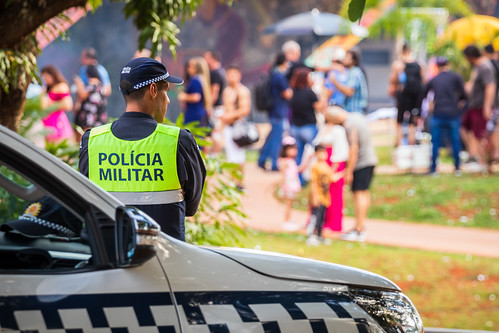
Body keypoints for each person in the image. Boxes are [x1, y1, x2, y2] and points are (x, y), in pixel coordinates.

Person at [78, 57, 206, 241]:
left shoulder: (92, 140)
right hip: (167, 261)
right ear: (153, 90)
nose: (168, 101)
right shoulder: (179, 141)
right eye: (166, 92)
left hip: (110, 259)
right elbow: (191, 206)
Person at [326, 106, 378, 242]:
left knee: (359, 194)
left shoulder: (349, 125)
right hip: (370, 159)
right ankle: (360, 226)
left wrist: (349, 171)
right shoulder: (357, 115)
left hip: (361, 162)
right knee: (364, 193)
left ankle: (359, 229)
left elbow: (353, 148)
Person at [424, 57, 467, 175]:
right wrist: (458, 104)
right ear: (448, 65)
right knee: (455, 141)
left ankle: (433, 169)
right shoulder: (456, 77)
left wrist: (430, 106)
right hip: (453, 113)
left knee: (436, 142)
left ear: (437, 66)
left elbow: (424, 94)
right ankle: (457, 168)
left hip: (438, 113)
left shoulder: (434, 79)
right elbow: (463, 95)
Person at [313, 110, 349, 233]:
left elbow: (341, 150)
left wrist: (334, 167)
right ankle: (320, 221)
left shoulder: (339, 130)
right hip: (323, 163)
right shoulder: (323, 128)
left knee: (334, 194)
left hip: (333, 163)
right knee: (321, 193)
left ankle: (334, 223)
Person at [462, 45, 496, 173]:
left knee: (481, 135)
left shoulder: (485, 67)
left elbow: (490, 87)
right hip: (473, 106)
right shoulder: (477, 67)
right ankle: (475, 157)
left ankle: (484, 164)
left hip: (481, 106)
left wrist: (487, 106)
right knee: (465, 127)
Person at [258, 52, 293, 171]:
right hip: (278, 112)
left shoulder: (272, 74)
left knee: (272, 136)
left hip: (273, 111)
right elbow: (287, 94)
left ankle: (262, 159)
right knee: (276, 139)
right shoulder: (279, 76)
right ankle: (273, 163)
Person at [388, 44, 425, 146]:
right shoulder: (419, 64)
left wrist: (392, 90)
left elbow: (393, 81)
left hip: (403, 95)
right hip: (415, 95)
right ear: (410, 50)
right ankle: (411, 142)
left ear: (402, 51)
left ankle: (399, 143)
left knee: (399, 119)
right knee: (413, 119)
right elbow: (424, 82)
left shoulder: (398, 64)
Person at [221, 66, 251, 188]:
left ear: (239, 75)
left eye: (233, 75)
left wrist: (229, 116)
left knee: (239, 156)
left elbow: (245, 110)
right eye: (228, 75)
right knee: (231, 156)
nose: (230, 78)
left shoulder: (243, 91)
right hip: (228, 127)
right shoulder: (226, 91)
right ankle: (233, 181)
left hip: (238, 127)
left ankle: (239, 182)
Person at [306, 144, 341, 246]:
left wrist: (341, 171)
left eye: (324, 152)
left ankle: (319, 236)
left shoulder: (326, 166)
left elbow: (331, 178)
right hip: (318, 197)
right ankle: (311, 235)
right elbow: (313, 182)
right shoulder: (315, 166)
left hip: (325, 198)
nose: (323, 154)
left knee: (322, 218)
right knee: (315, 217)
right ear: (316, 154)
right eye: (321, 152)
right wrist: (314, 197)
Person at [289, 68, 322, 176]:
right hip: (309, 127)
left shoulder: (292, 93)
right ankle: (311, 176)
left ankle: (298, 179)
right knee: (312, 152)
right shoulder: (309, 93)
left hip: (295, 127)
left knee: (297, 156)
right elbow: (319, 108)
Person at [73, 65, 108, 142]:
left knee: (86, 139)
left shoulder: (92, 83)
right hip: (98, 116)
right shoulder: (101, 85)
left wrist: (78, 84)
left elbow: (83, 95)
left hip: (90, 117)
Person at [40, 65, 74, 143]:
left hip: (57, 123)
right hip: (48, 124)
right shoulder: (47, 89)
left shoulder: (61, 86)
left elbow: (68, 104)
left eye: (46, 77)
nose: (45, 80)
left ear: (52, 75)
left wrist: (51, 104)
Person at [328, 49, 368, 114]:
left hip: (355, 112)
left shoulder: (354, 73)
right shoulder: (351, 71)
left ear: (353, 60)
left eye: (347, 57)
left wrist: (334, 82)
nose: (344, 59)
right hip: (352, 111)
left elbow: (349, 92)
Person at [178, 57, 213, 127]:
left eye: (190, 66)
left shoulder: (195, 80)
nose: (188, 69)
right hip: (199, 112)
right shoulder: (202, 79)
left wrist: (184, 97)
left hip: (193, 112)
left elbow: (196, 97)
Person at [204, 50, 227, 154]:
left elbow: (214, 92)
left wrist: (209, 106)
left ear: (212, 59)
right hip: (219, 107)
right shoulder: (221, 71)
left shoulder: (215, 72)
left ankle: (214, 157)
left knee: (215, 134)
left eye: (207, 58)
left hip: (215, 108)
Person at [278, 136, 301, 230]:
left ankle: (288, 221)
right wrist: (284, 187)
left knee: (290, 204)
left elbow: (298, 170)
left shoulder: (291, 161)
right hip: (288, 185)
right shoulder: (284, 161)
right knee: (288, 205)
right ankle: (286, 222)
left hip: (292, 184)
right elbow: (283, 175)